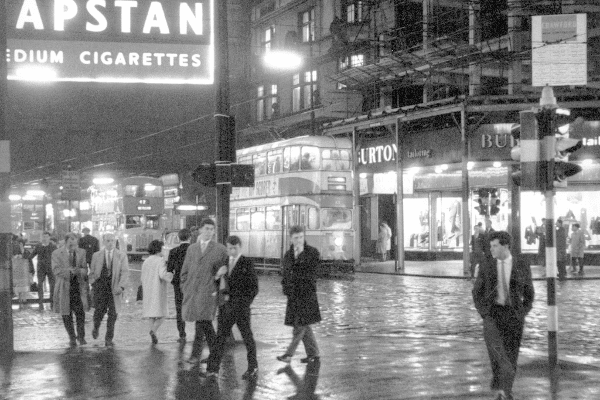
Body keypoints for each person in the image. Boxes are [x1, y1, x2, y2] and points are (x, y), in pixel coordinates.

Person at [472, 231, 535, 400]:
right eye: (490, 246)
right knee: (497, 354)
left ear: (505, 246)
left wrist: (524, 311)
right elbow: (476, 292)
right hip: (492, 315)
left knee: (511, 355)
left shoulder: (521, 265)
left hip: (514, 315)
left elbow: (529, 291)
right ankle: (501, 385)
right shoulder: (486, 265)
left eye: (495, 246)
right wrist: (484, 313)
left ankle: (505, 392)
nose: (491, 249)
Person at [206, 236, 259, 380]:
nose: (232, 251)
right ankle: (212, 369)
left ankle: (253, 367)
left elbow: (254, 288)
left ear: (240, 247)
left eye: (235, 248)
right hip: (226, 307)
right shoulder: (223, 263)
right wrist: (218, 275)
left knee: (247, 337)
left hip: (241, 308)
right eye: (229, 248)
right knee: (220, 338)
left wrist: (245, 304)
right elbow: (216, 284)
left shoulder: (247, 262)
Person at [180, 218, 228, 365]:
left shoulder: (220, 249)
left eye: (212, 229)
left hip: (209, 292)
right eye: (206, 228)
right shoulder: (192, 249)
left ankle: (198, 355)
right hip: (193, 292)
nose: (209, 232)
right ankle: (214, 353)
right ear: (200, 230)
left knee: (203, 322)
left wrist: (219, 277)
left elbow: (226, 271)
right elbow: (185, 270)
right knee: (202, 323)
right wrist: (185, 286)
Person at [277, 225, 322, 364]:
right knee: (304, 325)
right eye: (296, 238)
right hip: (293, 296)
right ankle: (313, 354)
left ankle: (289, 354)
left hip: (307, 295)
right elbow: (285, 274)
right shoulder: (288, 255)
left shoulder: (312, 253)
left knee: (299, 326)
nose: (299, 240)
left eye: (301, 237)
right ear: (291, 239)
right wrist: (285, 288)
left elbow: (312, 272)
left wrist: (301, 256)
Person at [88, 233, 129, 347]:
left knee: (113, 314)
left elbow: (125, 272)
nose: (110, 243)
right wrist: (93, 283)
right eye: (108, 241)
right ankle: (96, 327)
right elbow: (92, 272)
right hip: (101, 288)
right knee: (99, 312)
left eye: (112, 240)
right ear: (103, 242)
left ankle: (108, 338)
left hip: (115, 289)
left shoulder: (121, 256)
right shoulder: (96, 255)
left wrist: (121, 286)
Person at [52, 233, 90, 347]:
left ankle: (81, 337)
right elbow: (56, 270)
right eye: (70, 243)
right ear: (66, 241)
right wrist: (69, 272)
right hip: (64, 287)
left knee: (80, 313)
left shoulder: (82, 252)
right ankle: (72, 337)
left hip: (78, 287)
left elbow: (85, 269)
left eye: (75, 242)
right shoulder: (56, 253)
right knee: (66, 314)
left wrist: (80, 271)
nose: (73, 245)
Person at [141, 240, 173, 344]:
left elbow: (142, 276)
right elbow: (163, 275)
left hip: (147, 289)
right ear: (159, 249)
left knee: (151, 314)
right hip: (157, 289)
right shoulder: (160, 260)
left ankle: (153, 334)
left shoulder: (146, 261)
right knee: (163, 313)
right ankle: (153, 331)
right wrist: (171, 275)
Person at [166, 228, 192, 343]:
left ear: (178, 238)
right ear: (190, 237)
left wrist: (173, 281)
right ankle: (201, 333)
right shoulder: (194, 250)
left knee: (179, 308)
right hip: (192, 283)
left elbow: (169, 270)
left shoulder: (173, 252)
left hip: (178, 283)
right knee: (196, 306)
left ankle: (182, 334)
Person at [29, 231, 57, 310]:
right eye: (43, 236)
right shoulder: (38, 246)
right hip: (41, 268)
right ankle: (40, 302)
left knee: (52, 285)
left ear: (49, 237)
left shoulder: (53, 246)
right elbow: (31, 255)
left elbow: (57, 256)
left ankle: (52, 302)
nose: (44, 238)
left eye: (46, 236)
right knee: (40, 285)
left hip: (51, 268)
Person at [13, 237, 34, 308]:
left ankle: (23, 304)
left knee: (24, 290)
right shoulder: (14, 252)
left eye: (17, 243)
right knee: (19, 290)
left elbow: (30, 262)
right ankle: (20, 303)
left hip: (24, 275)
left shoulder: (26, 252)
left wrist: (31, 273)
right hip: (17, 275)